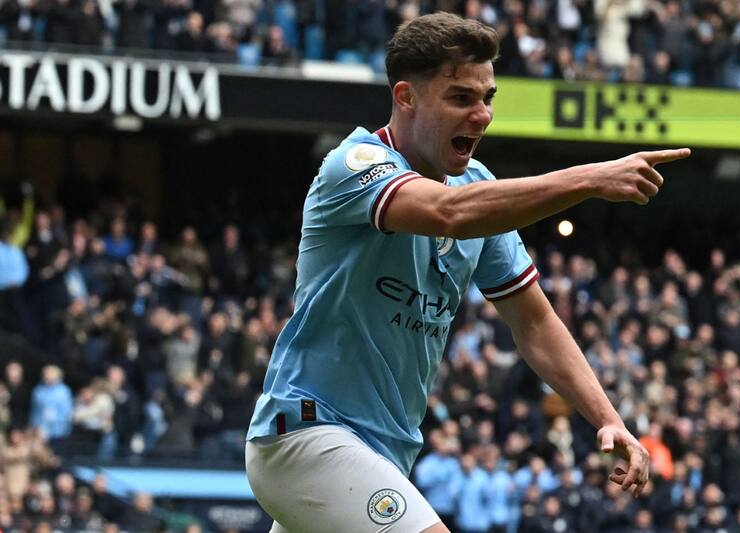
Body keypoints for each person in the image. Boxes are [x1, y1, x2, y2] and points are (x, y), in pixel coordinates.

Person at [246, 12, 690, 533]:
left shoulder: (476, 185)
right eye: (461, 98)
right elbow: (448, 214)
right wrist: (589, 177)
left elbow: (534, 323)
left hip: (382, 455)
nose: (481, 115)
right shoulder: (354, 163)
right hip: (307, 433)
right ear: (407, 96)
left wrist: (609, 418)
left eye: (488, 97)